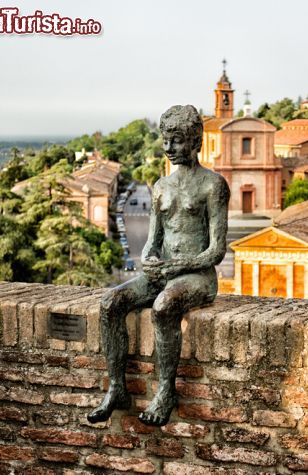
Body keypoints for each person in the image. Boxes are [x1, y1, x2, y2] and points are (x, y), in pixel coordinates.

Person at [88, 105, 230, 426]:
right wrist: (149, 259)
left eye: (177, 140)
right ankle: (116, 388)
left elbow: (216, 251)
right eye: (166, 140)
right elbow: (153, 239)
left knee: (164, 306)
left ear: (195, 142)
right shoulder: (161, 187)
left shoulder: (213, 185)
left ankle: (166, 390)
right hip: (163, 273)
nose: (169, 147)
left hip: (197, 277)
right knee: (110, 302)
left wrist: (179, 264)